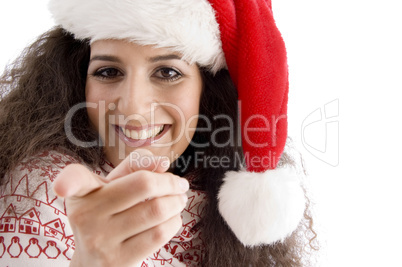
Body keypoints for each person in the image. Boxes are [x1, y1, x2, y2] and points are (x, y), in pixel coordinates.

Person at [0, 0, 317, 266]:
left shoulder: (219, 200)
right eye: (108, 72)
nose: (134, 109)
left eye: (168, 72)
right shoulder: (38, 196)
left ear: (206, 92)